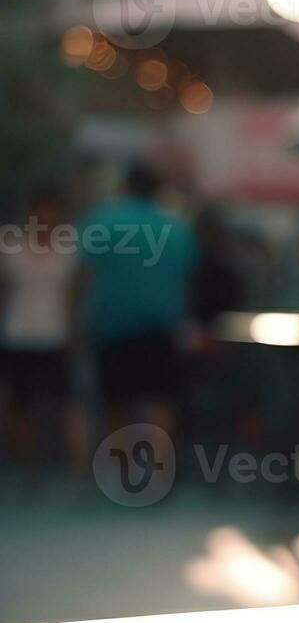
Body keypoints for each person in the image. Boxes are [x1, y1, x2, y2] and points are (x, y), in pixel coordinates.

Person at [74, 162, 197, 436]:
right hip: (162, 326)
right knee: (162, 400)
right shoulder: (176, 229)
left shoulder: (102, 222)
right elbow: (187, 282)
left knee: (115, 401)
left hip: (112, 325)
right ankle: (160, 465)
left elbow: (83, 276)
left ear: (126, 187)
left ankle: (120, 467)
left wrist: (75, 322)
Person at [0, 188, 80, 473]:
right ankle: (25, 462)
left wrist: (74, 331)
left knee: (63, 400)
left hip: (55, 333)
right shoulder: (11, 246)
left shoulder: (68, 248)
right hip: (17, 333)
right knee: (20, 403)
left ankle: (70, 463)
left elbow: (76, 293)